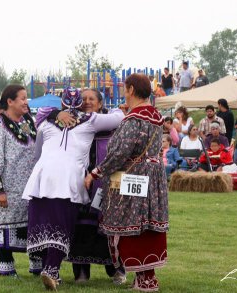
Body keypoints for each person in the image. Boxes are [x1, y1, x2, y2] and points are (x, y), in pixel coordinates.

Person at [22, 87, 124, 290]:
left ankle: (50, 269)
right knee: (62, 225)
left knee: (44, 224)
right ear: (79, 103)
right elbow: (120, 117)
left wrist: (54, 113)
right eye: (83, 99)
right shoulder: (90, 119)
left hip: (42, 177)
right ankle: (51, 270)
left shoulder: (46, 123)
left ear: (62, 103)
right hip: (68, 178)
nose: (87, 102)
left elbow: (37, 147)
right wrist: (113, 109)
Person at [85, 73, 168, 292]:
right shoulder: (156, 116)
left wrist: (95, 172)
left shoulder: (134, 119)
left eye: (125, 88)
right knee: (146, 222)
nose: (124, 92)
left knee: (131, 223)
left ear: (131, 90)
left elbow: (120, 152)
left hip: (133, 175)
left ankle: (144, 279)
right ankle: (145, 277)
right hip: (153, 176)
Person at [0, 84, 39, 277]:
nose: (26, 102)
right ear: (10, 101)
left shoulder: (27, 122)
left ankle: (37, 265)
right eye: (22, 98)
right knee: (6, 224)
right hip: (7, 187)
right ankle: (6, 267)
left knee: (32, 225)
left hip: (29, 187)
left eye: (26, 98)